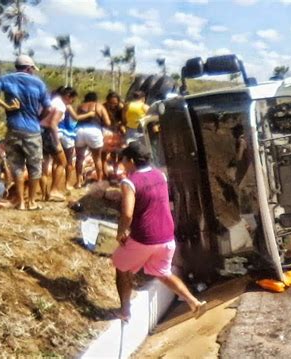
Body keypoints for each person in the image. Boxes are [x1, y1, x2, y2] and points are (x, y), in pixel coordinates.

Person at [112, 141, 206, 322]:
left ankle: (125, 311)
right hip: (167, 237)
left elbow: (127, 213)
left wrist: (121, 232)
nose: (122, 163)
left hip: (145, 238)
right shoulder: (160, 176)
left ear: (131, 160)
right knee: (162, 272)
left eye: (123, 160)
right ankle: (194, 301)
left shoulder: (129, 182)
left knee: (121, 268)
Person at [0, 55, 50, 210]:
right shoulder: (38, 84)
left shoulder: (6, 79)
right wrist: (39, 119)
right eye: (32, 69)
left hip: (13, 129)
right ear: (29, 68)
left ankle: (20, 202)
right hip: (32, 131)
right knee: (35, 166)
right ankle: (31, 201)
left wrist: (6, 105)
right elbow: (49, 108)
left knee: (17, 166)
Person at [74, 92, 110, 188]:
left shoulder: (80, 106)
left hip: (79, 131)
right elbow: (108, 122)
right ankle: (99, 181)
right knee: (97, 158)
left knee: (79, 158)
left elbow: (76, 118)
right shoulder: (99, 106)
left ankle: (78, 182)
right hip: (94, 131)